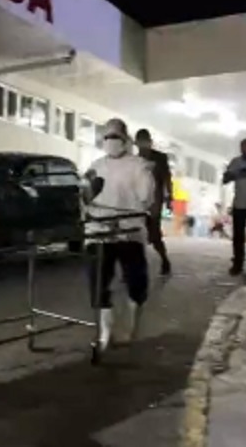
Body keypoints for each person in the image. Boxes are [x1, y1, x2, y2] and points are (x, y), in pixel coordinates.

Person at [84, 119, 154, 351]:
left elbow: (146, 198)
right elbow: (85, 197)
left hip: (129, 232)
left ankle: (130, 327)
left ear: (125, 140)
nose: (111, 141)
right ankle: (105, 331)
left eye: (115, 136)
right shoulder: (96, 166)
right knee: (98, 283)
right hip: (99, 232)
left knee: (136, 281)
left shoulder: (139, 166)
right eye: (107, 136)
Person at [134, 129, 173, 275]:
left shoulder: (160, 158)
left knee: (155, 234)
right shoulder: (135, 160)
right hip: (138, 202)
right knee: (136, 234)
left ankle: (164, 260)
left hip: (155, 201)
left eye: (145, 142)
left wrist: (169, 197)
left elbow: (167, 178)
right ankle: (135, 268)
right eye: (140, 142)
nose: (143, 146)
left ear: (150, 142)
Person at [222, 138, 246, 276]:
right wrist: (235, 174)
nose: (245, 150)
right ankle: (238, 264)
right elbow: (225, 179)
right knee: (238, 237)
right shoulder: (236, 162)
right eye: (243, 147)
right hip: (240, 204)